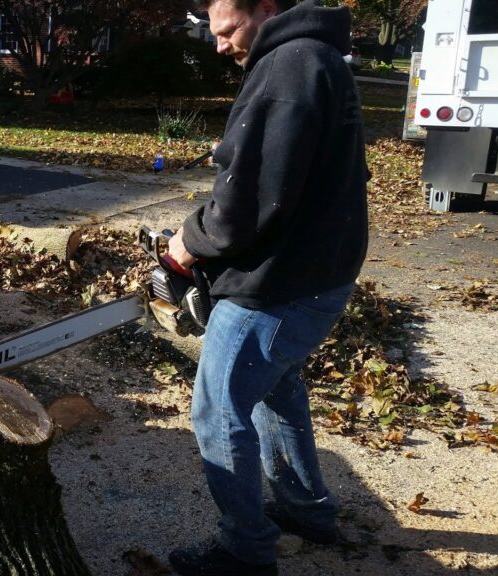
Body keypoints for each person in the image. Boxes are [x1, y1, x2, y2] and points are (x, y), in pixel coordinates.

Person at [165, 0, 369, 574]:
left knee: (217, 409)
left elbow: (250, 203)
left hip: (282, 284)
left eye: (229, 30)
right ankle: (307, 511)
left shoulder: (289, 67)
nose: (220, 43)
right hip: (314, 269)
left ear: (268, 9)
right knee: (276, 390)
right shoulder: (317, 57)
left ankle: (245, 551)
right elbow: (272, 173)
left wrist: (190, 240)